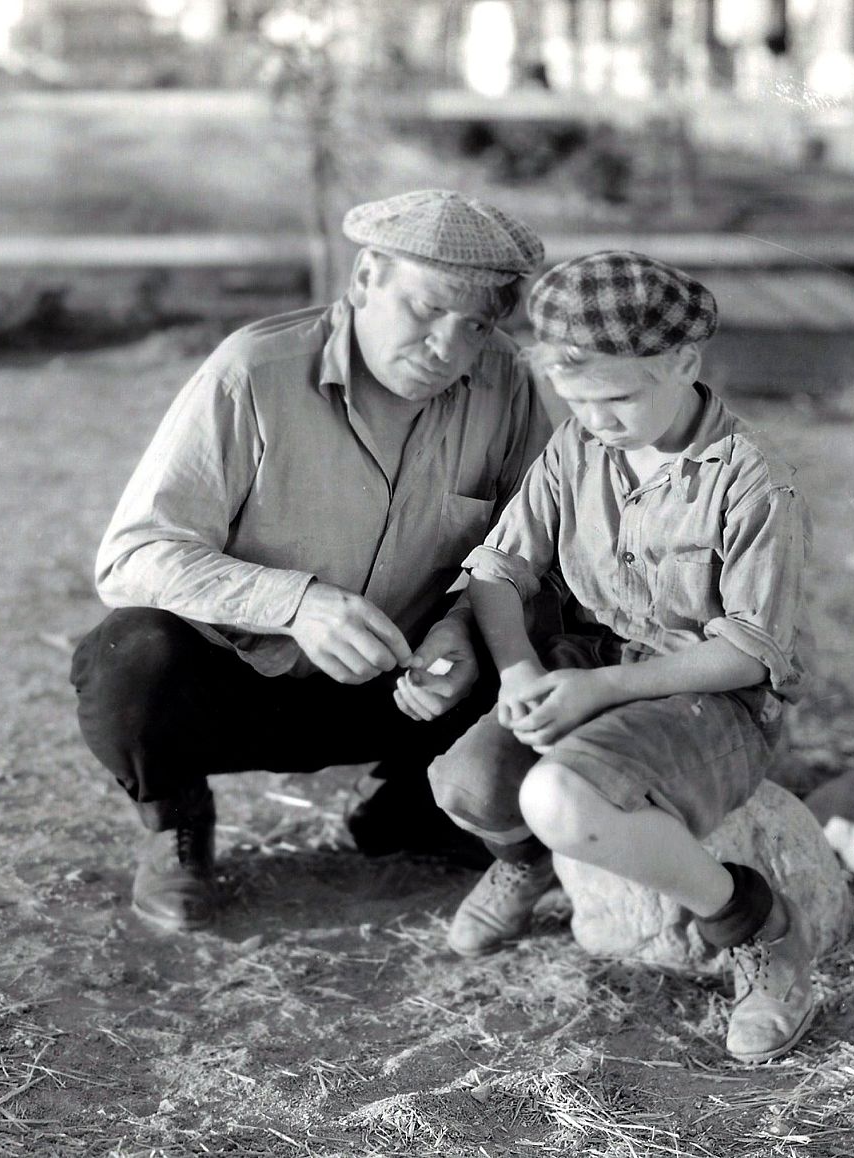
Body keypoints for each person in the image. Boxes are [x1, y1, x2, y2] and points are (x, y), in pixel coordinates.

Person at [71, 190, 552, 933]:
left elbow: (530, 540)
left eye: (476, 326)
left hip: (405, 685)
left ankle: (413, 809)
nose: (446, 350)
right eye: (426, 310)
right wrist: (295, 604)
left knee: (538, 632)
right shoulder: (252, 372)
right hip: (243, 684)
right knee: (126, 656)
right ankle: (175, 822)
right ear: (365, 280)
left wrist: (461, 622)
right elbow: (132, 554)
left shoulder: (505, 382)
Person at [426, 251, 819, 1062]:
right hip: (586, 664)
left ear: (682, 363)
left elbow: (747, 652)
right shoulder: (577, 449)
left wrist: (598, 688)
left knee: (561, 798)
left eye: (614, 397)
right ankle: (529, 863)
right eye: (573, 400)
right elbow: (498, 572)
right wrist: (521, 672)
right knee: (463, 784)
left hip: (707, 697)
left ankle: (760, 927)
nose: (594, 420)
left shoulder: (752, 481)